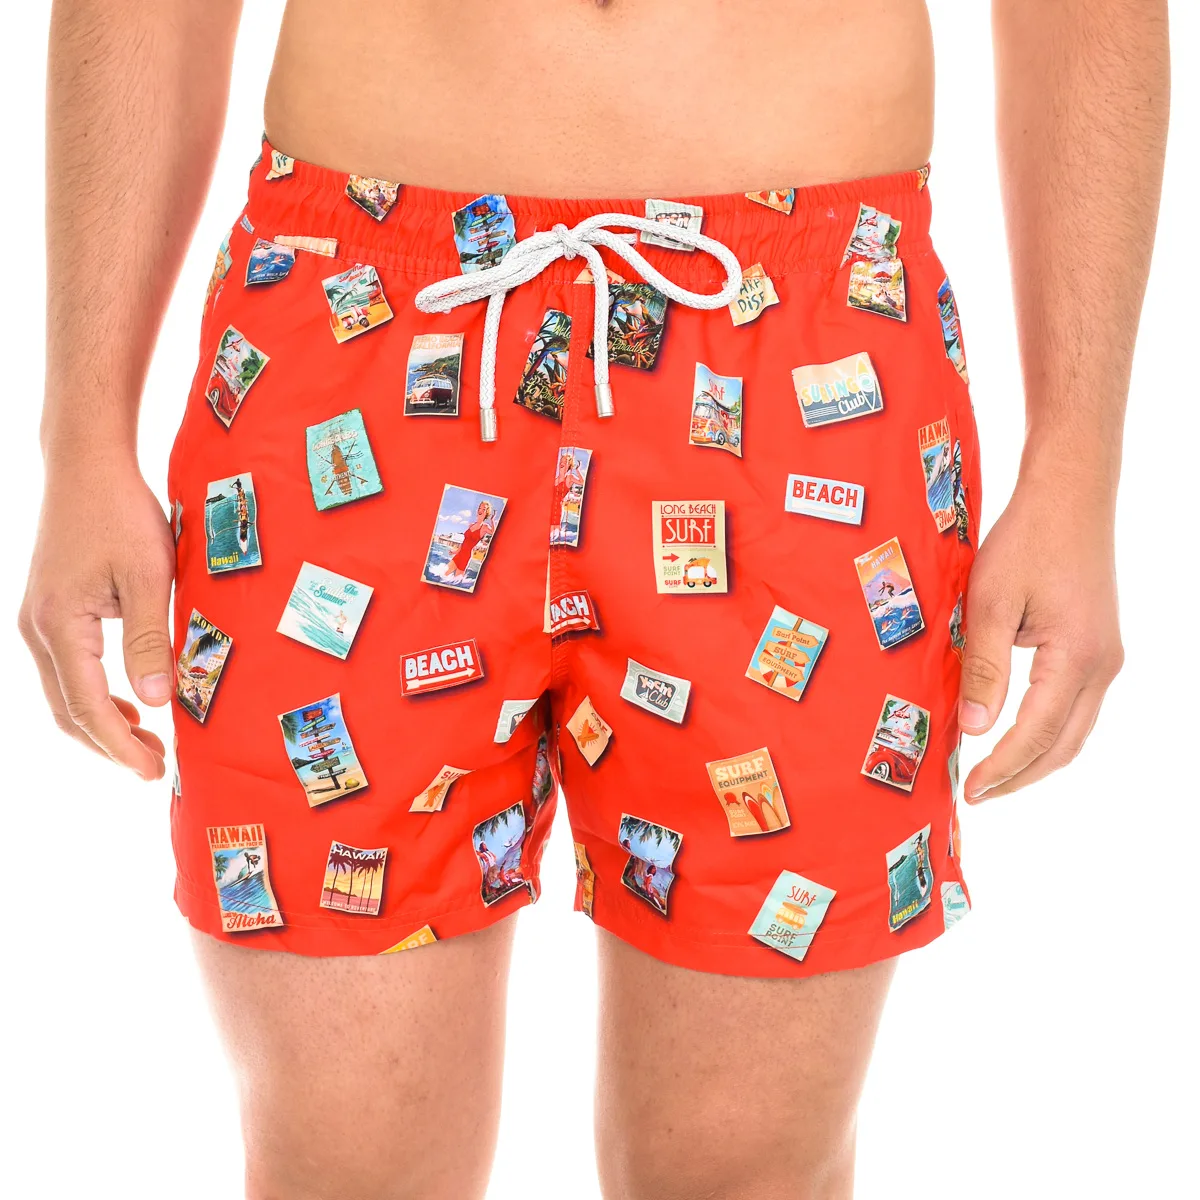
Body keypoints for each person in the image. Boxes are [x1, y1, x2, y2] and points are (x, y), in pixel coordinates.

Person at [18, 2, 1165, 1198]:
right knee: (342, 1163)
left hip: (807, 351)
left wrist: (1078, 463)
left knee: (744, 1169)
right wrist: (81, 430)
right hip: (361, 319)